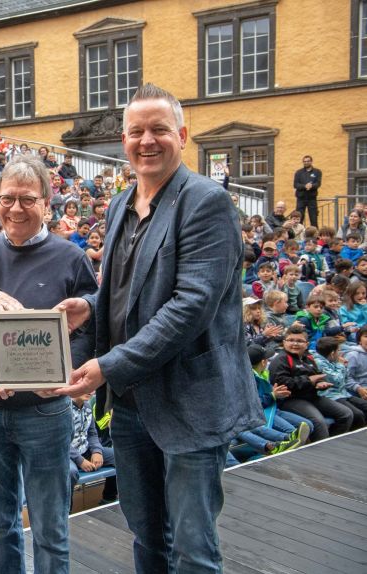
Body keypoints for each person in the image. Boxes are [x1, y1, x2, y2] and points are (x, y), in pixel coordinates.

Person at [56, 84, 265, 574]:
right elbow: (128, 288)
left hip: (191, 401)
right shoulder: (120, 204)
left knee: (193, 548)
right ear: (124, 140)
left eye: (158, 130)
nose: (146, 141)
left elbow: (189, 306)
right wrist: (90, 306)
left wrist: (109, 365)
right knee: (148, 538)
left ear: (183, 136)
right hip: (132, 405)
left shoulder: (207, 202)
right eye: (136, 132)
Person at [0, 155, 98, 574]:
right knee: (1, 524)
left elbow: (91, 321)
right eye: (7, 198)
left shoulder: (71, 257)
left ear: (47, 203)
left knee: (51, 529)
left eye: (27, 199)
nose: (15, 208)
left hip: (46, 412)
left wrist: (72, 374)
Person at [268, 324, 353, 441]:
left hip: (312, 396)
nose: (295, 343)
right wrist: (309, 381)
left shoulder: (308, 358)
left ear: (307, 344)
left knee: (346, 414)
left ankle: (333, 442)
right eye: (291, 340)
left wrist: (320, 384)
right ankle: (322, 451)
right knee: (319, 422)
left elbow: (316, 375)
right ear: (284, 342)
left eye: (299, 341)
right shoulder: (280, 360)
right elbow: (281, 383)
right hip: (292, 399)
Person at [293, 155, 321, 227]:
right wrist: (305, 186)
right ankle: (298, 233)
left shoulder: (317, 172)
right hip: (301, 198)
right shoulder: (298, 172)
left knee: (313, 218)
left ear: (311, 161)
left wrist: (311, 186)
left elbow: (318, 183)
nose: (306, 163)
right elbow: (295, 185)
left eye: (308, 161)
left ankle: (315, 235)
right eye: (304, 161)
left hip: (312, 198)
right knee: (299, 218)